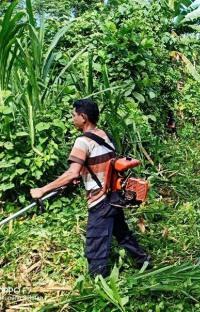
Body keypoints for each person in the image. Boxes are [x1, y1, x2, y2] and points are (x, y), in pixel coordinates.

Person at [30, 99, 151, 276]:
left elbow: (71, 173)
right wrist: (83, 175)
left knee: (95, 246)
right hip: (114, 196)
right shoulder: (103, 135)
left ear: (83, 117)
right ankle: (144, 261)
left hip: (100, 200)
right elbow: (100, 163)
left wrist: (42, 190)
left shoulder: (82, 142)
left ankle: (99, 283)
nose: (72, 119)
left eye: (74, 115)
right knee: (122, 233)